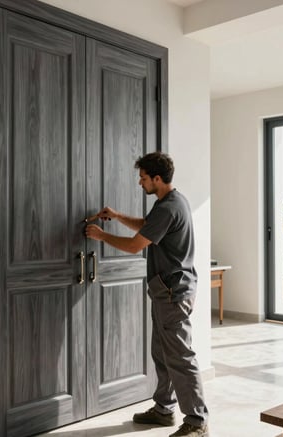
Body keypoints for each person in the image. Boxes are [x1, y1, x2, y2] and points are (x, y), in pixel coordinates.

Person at [85, 151, 209, 437]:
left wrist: (101, 235)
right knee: (163, 353)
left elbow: (134, 246)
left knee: (179, 356)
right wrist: (116, 216)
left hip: (173, 293)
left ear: (157, 178)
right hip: (166, 291)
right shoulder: (170, 201)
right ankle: (164, 409)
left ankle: (197, 421)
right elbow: (147, 227)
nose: (140, 183)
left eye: (143, 178)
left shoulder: (168, 207)